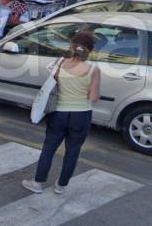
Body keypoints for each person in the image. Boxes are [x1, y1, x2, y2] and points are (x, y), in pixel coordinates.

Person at [22, 32, 100, 194]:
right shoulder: (94, 69)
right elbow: (94, 97)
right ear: (91, 50)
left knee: (49, 147)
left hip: (59, 113)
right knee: (73, 151)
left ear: (72, 47)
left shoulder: (60, 63)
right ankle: (61, 186)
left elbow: (53, 85)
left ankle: (38, 183)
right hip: (81, 115)